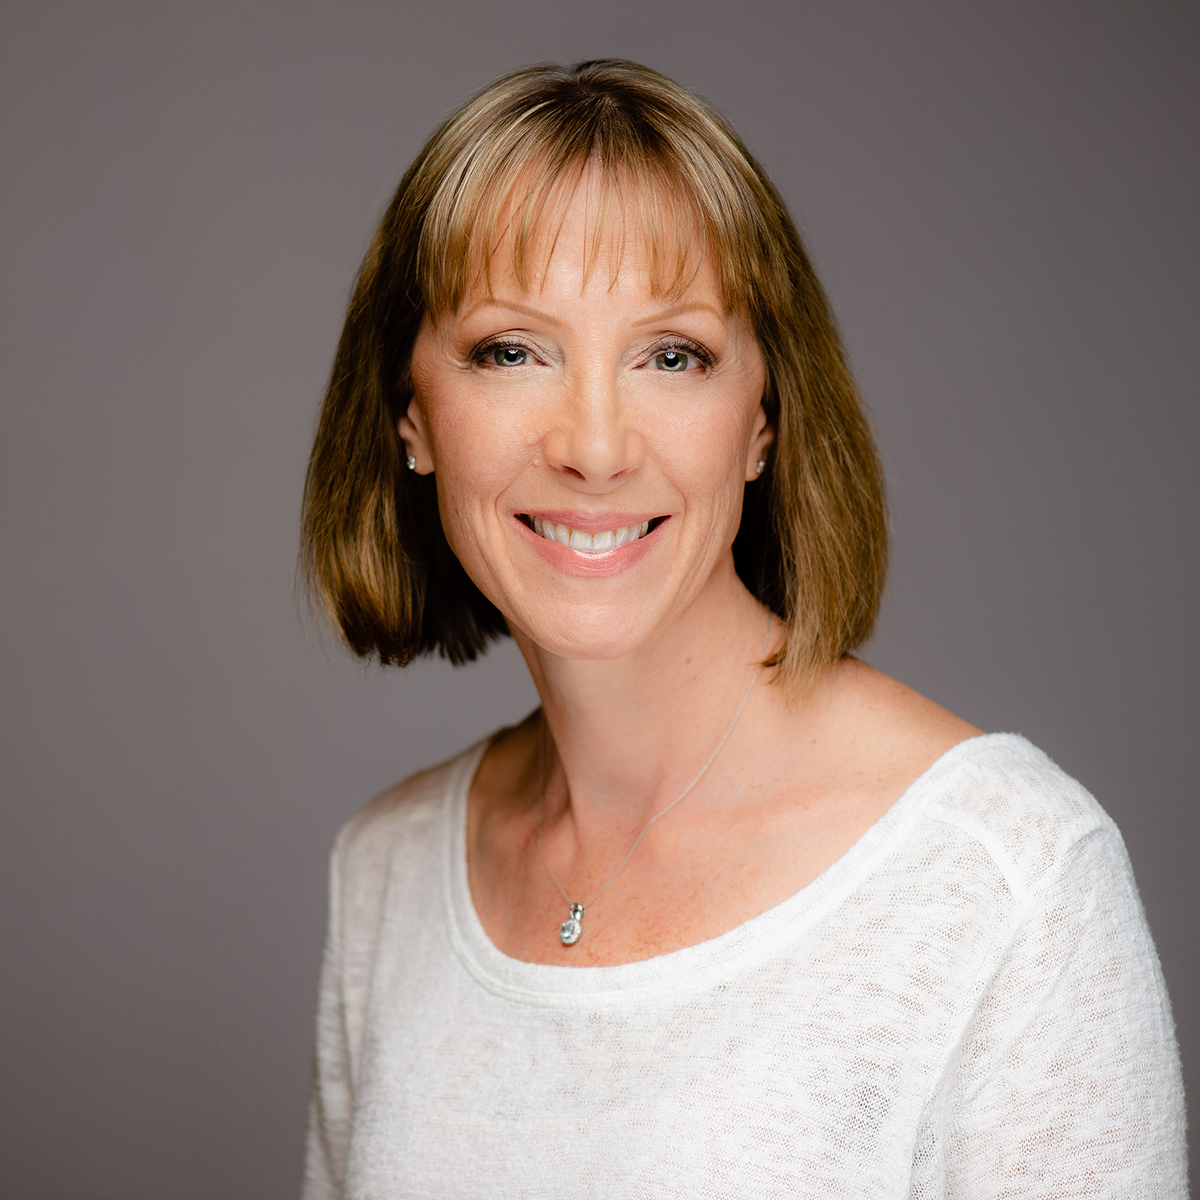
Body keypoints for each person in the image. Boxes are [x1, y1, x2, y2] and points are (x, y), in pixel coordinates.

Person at [298, 60, 1186, 1197]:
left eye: (673, 355)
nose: (598, 445)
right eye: (513, 350)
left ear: (761, 423)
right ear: (411, 416)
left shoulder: (1002, 883)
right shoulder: (385, 868)